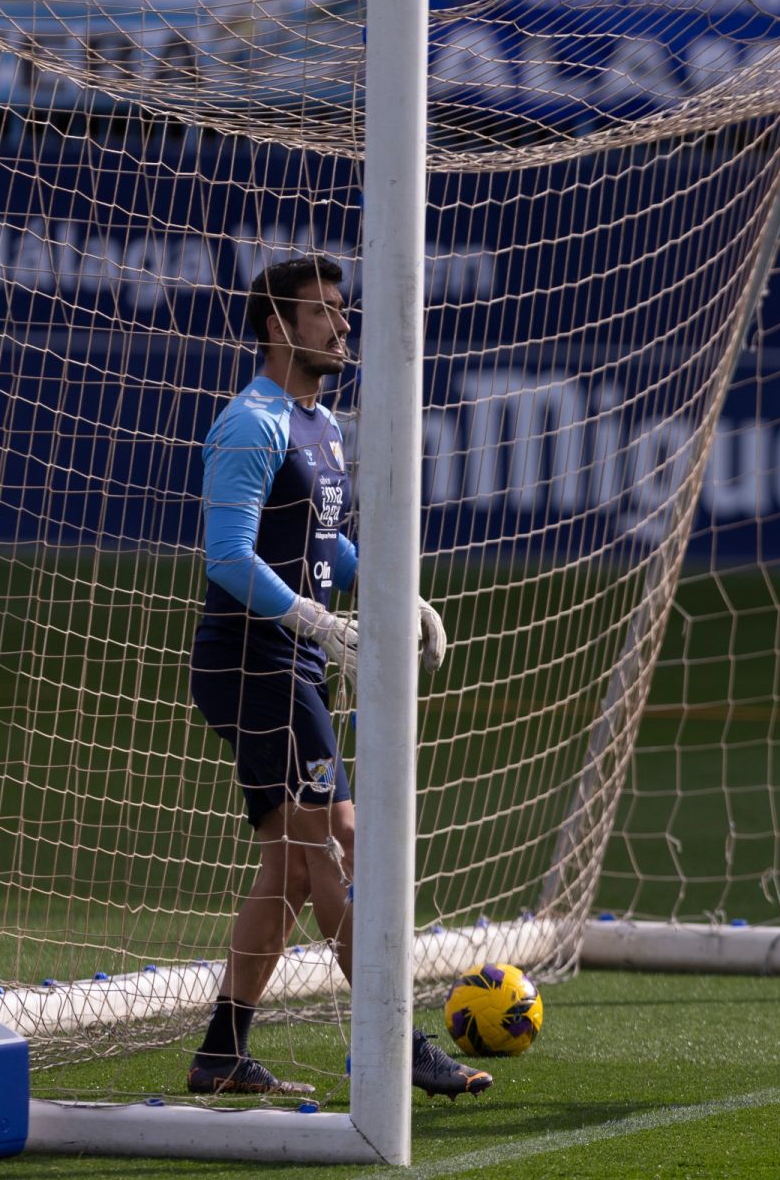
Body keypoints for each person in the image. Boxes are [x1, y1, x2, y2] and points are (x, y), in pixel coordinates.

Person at [186, 254, 488, 1100]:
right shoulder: (253, 422)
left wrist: (395, 596)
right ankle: (401, 1043)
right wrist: (318, 620)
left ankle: (220, 1054)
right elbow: (228, 557)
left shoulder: (320, 422)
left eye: (342, 311)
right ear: (279, 328)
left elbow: (326, 547)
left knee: (287, 870)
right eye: (323, 312)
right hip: (255, 666)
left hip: (293, 667)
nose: (343, 325)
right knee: (341, 843)